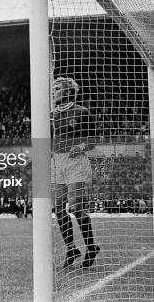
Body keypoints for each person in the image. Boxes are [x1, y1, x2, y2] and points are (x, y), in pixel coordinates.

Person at [51, 77, 100, 268]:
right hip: (57, 162)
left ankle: (91, 246)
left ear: (68, 92)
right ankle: (71, 248)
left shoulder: (82, 112)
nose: (54, 91)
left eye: (57, 88)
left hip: (75, 162)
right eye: (53, 88)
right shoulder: (52, 114)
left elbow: (93, 140)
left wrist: (80, 146)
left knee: (75, 208)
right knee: (58, 208)